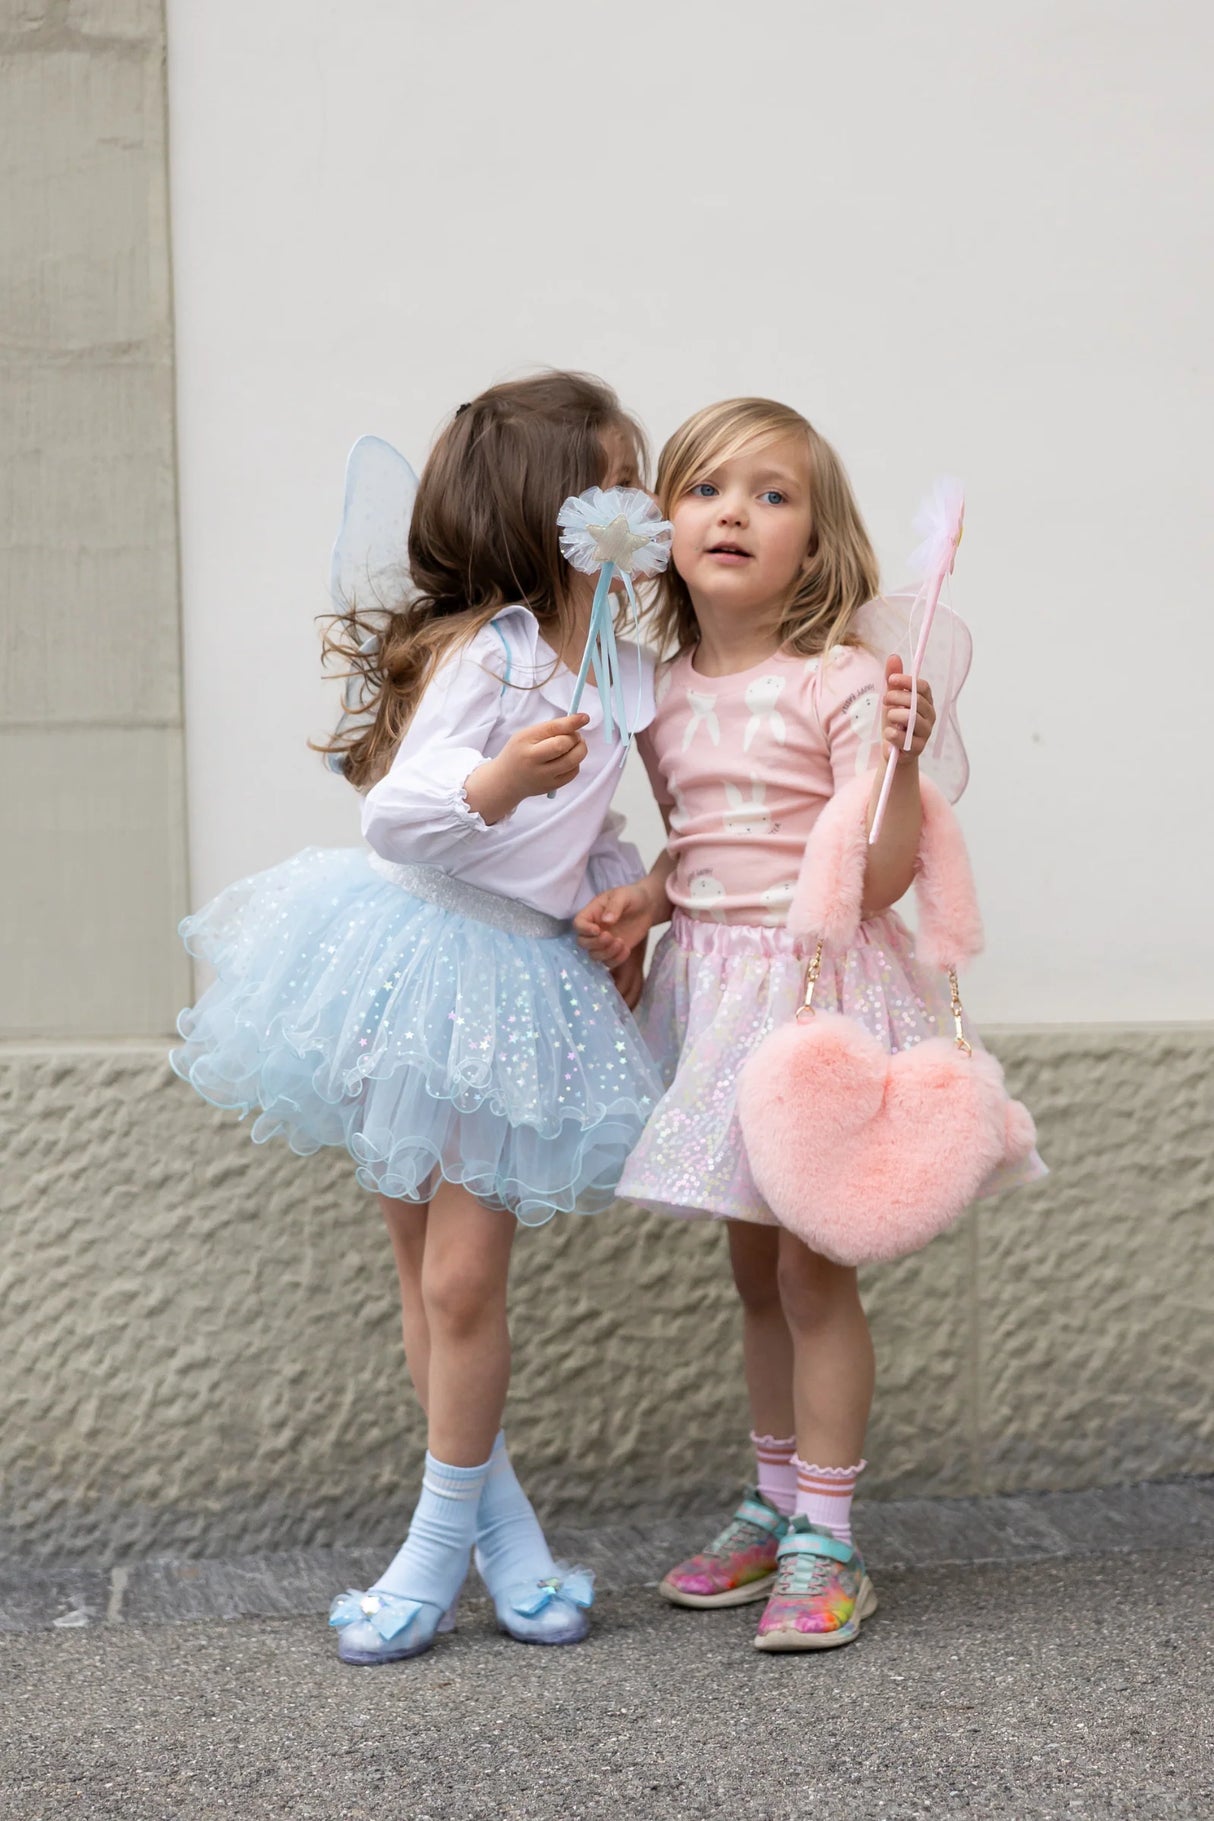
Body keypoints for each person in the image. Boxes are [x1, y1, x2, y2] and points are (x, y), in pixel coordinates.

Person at [172, 371, 664, 1662]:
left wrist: (620, 899)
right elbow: (395, 812)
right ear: (555, 510)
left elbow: (596, 831)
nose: (644, 500)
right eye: (622, 478)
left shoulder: (621, 669)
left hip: (515, 977)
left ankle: (463, 1541)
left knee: (456, 1281)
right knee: (430, 1276)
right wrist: (497, 779)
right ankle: (470, 1541)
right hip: (412, 965)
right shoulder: (487, 655)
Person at [575, 396, 1043, 1652]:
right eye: (706, 488)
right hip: (711, 989)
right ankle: (773, 1496)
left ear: (816, 540)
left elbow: (876, 869)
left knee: (810, 1260)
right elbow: (709, 841)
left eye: (770, 495)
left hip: (814, 999)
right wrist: (644, 894)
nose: (734, 511)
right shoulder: (656, 691)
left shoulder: (845, 683)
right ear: (660, 523)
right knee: (750, 1266)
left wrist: (903, 756)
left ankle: (828, 1533)